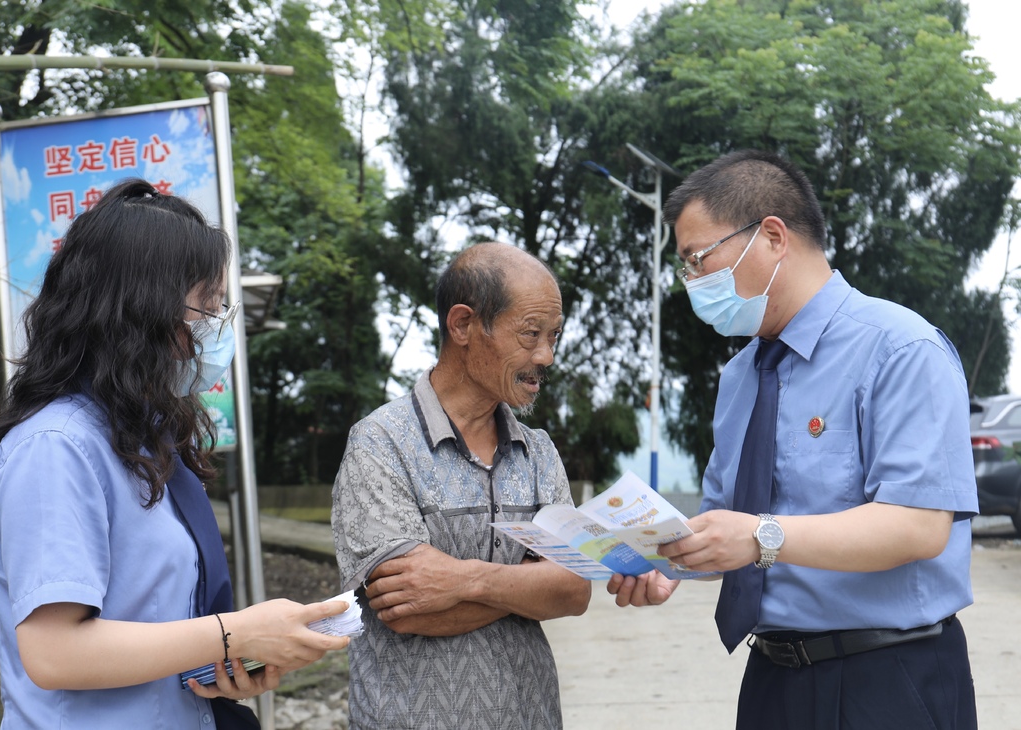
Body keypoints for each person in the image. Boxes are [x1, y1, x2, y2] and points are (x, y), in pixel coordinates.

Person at [607, 150, 979, 729]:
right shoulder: (740, 377)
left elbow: (919, 524)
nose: (693, 283)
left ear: (773, 237)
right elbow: (724, 522)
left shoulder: (901, 350)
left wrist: (761, 537)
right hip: (772, 680)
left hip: (888, 677)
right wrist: (668, 561)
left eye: (699, 260)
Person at [0, 178, 350, 729]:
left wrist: (226, 659)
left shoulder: (141, 439)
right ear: (140, 308)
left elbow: (155, 626)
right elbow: (54, 653)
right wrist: (235, 633)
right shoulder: (54, 447)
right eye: (207, 308)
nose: (217, 332)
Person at [331, 242, 592, 729]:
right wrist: (527, 585)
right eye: (531, 334)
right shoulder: (379, 444)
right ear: (463, 325)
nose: (547, 356)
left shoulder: (538, 452)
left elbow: (573, 590)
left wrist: (462, 581)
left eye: (554, 336)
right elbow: (407, 609)